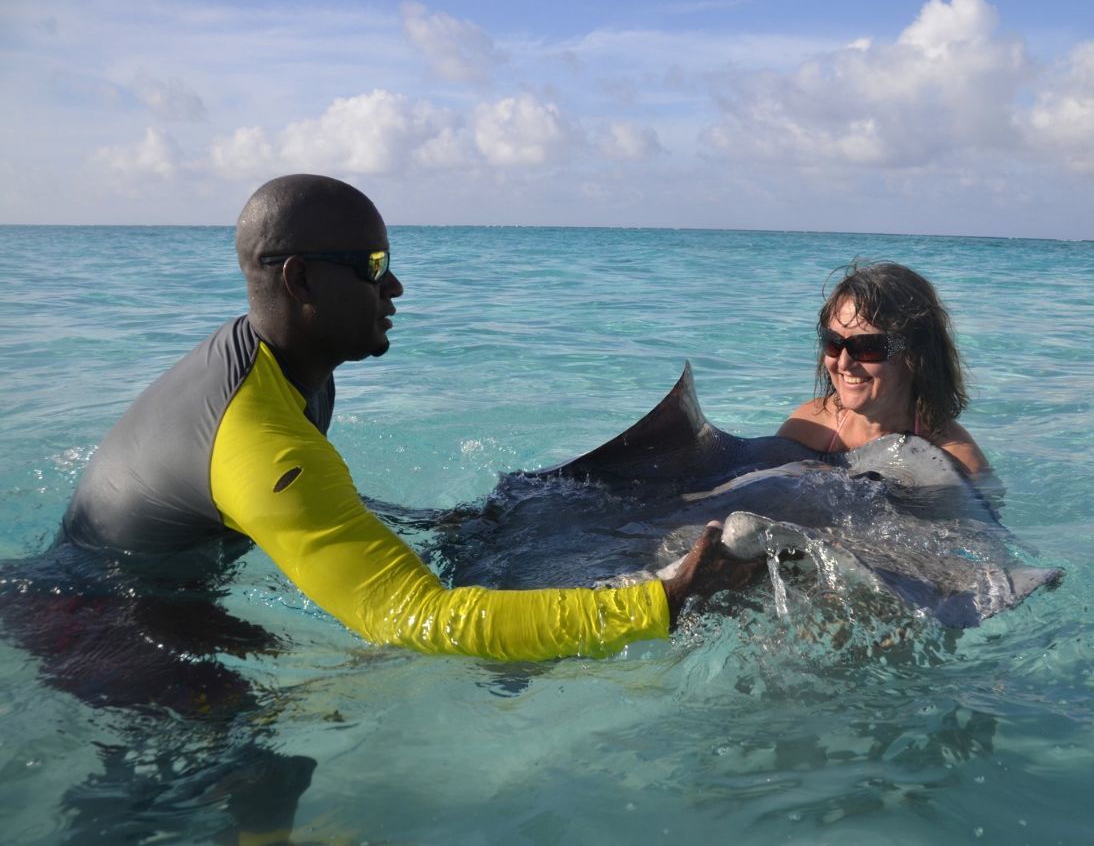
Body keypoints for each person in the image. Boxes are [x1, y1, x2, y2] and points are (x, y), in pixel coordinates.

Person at [57, 173, 753, 663]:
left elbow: (304, 503)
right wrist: (664, 600)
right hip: (101, 629)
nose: (394, 286)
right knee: (257, 782)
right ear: (300, 280)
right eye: (372, 264)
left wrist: (434, 523)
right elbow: (418, 620)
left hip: (145, 594)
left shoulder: (283, 368)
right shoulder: (261, 443)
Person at [777, 261, 989, 476]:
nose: (843, 363)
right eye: (833, 343)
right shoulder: (810, 427)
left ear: (915, 354)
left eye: (867, 347)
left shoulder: (958, 463)